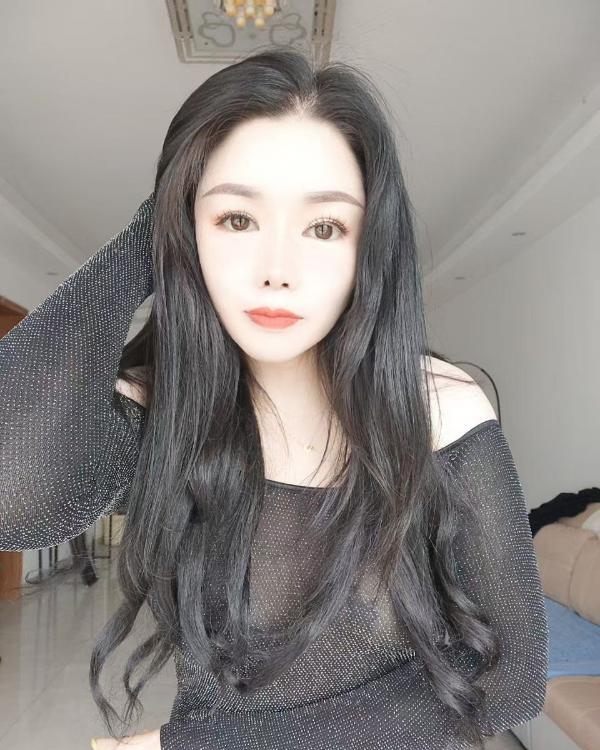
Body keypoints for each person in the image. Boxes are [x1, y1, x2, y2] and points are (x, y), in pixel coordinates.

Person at [0, 47, 548, 750]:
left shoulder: (436, 411)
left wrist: (195, 746)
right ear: (186, 227)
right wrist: (156, 226)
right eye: (237, 219)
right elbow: (12, 499)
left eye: (324, 227)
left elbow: (512, 679)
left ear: (368, 248)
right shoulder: (160, 410)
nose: (277, 272)